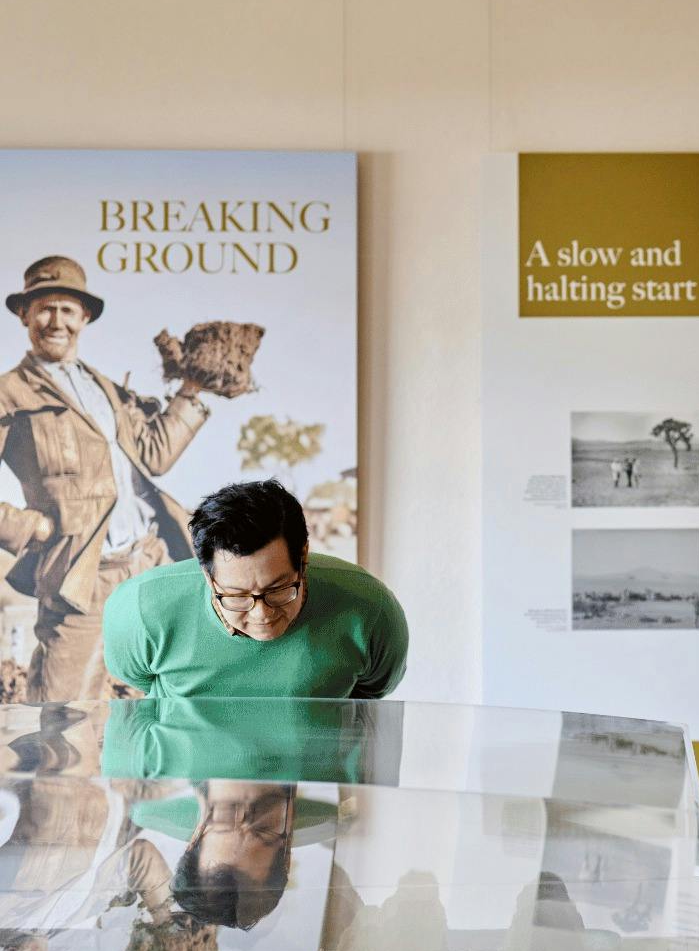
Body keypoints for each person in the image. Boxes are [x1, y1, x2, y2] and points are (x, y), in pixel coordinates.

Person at [0, 257, 212, 704]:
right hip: (82, 577)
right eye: (44, 308)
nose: (56, 321)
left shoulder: (107, 390)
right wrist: (28, 527)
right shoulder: (10, 392)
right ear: (24, 315)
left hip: (151, 563)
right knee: (63, 716)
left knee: (168, 705)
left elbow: (154, 455)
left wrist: (191, 390)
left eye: (67, 310)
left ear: (85, 317)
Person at [102, 479, 408, 699]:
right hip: (189, 783)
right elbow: (135, 678)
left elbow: (372, 696)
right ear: (208, 577)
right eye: (236, 596)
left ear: (302, 559)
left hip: (315, 785)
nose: (261, 614)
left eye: (278, 590)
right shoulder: (140, 610)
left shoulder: (370, 609)